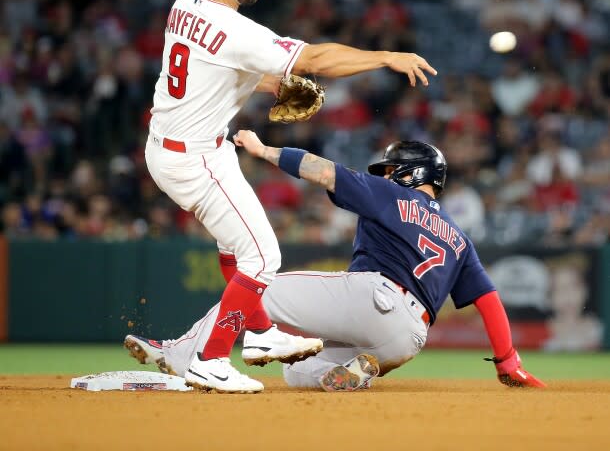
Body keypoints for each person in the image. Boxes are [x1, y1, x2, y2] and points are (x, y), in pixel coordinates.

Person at [131, 0, 438, 394]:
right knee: (264, 257)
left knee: (236, 252)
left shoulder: (186, 3)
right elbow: (315, 58)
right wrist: (386, 56)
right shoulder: (236, 29)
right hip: (195, 157)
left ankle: (258, 332)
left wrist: (271, 85)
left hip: (177, 145)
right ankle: (210, 360)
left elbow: (214, 67)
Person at [127, 131, 545, 392]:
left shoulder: (392, 195)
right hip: (407, 341)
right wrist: (508, 361)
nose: (383, 175)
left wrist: (263, 149)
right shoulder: (459, 238)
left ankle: (184, 354)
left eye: (390, 169)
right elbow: (489, 301)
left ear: (410, 175)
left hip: (374, 297)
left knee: (257, 282)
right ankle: (359, 368)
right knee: (296, 374)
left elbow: (324, 172)